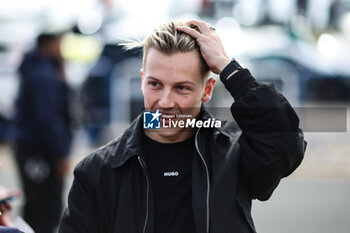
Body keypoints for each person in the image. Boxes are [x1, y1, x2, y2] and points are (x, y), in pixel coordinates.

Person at [59, 20, 306, 233]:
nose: (165, 102)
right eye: (155, 84)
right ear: (142, 81)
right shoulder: (97, 171)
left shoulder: (233, 152)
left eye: (182, 88)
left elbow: (285, 144)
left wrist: (229, 69)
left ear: (207, 90)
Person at [14, 32, 72, 233]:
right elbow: (48, 119)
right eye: (58, 44)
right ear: (47, 45)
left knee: (35, 205)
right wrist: (60, 154)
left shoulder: (36, 70)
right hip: (41, 152)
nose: (61, 49)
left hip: (32, 149)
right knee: (45, 208)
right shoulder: (43, 77)